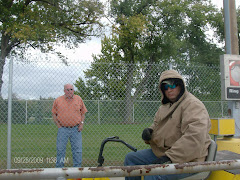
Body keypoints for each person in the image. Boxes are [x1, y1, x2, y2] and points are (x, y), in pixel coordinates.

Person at [124, 70, 212, 180]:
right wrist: (150, 131)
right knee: (131, 159)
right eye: (165, 87)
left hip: (188, 160)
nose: (169, 89)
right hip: (165, 153)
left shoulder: (193, 105)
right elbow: (156, 124)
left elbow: (194, 138)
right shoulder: (165, 107)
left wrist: (168, 157)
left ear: (180, 86)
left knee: (153, 174)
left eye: (173, 85)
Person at [52, 83, 88, 168]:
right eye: (67, 89)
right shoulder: (58, 100)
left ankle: (77, 172)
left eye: (71, 89)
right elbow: (54, 114)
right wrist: (58, 125)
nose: (69, 91)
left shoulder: (78, 99)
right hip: (63, 129)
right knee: (60, 150)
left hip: (76, 129)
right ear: (64, 91)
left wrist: (81, 124)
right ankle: (59, 172)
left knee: (77, 151)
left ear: (73, 90)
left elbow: (83, 112)